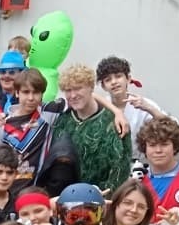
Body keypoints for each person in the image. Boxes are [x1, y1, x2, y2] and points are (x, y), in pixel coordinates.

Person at [48, 64, 128, 195]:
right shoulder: (62, 120)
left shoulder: (114, 123)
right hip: (66, 198)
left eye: (78, 88)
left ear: (91, 87)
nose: (73, 95)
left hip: (101, 199)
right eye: (68, 90)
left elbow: (121, 170)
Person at [0, 70, 55, 193]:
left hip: (34, 193)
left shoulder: (48, 114)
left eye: (36, 92)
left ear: (42, 94)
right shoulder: (2, 125)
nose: (31, 98)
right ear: (17, 93)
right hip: (5, 193)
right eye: (26, 92)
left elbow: (77, 99)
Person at [96, 55, 167, 150]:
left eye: (118, 76)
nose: (114, 82)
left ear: (128, 79)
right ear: (103, 86)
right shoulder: (100, 106)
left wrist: (149, 108)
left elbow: (173, 127)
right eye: (108, 79)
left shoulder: (143, 103)